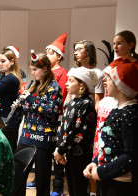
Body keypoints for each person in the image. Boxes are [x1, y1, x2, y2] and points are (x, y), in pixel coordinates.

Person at [83, 60, 138, 196]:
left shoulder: (130, 114)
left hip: (120, 184)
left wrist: (101, 171)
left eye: (110, 79)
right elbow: (106, 143)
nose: (105, 82)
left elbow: (130, 156)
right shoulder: (116, 110)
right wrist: (95, 163)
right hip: (107, 177)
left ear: (121, 85)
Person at [16, 50, 62, 196]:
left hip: (44, 138)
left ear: (45, 69)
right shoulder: (33, 86)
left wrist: (30, 99)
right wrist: (19, 106)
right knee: (18, 172)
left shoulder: (55, 87)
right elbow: (28, 109)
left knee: (42, 180)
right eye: (32, 70)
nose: (33, 73)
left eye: (35, 70)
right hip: (27, 135)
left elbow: (51, 110)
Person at [54, 66, 97, 196]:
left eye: (71, 80)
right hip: (68, 153)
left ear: (81, 85)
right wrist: (59, 149)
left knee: (79, 188)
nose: (66, 83)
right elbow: (63, 128)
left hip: (80, 155)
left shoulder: (87, 103)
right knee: (72, 187)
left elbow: (78, 132)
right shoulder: (71, 103)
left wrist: (62, 150)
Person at [46, 33, 68, 196]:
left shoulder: (63, 73)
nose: (47, 55)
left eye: (50, 52)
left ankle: (58, 185)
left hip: (56, 117)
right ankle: (42, 179)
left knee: (57, 151)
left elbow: (60, 95)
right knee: (44, 151)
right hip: (44, 117)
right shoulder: (45, 72)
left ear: (58, 56)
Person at [73, 40, 104, 111]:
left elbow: (98, 101)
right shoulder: (75, 72)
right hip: (73, 111)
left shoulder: (98, 74)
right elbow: (71, 96)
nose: (75, 53)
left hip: (87, 113)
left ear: (88, 51)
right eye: (75, 50)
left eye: (79, 49)